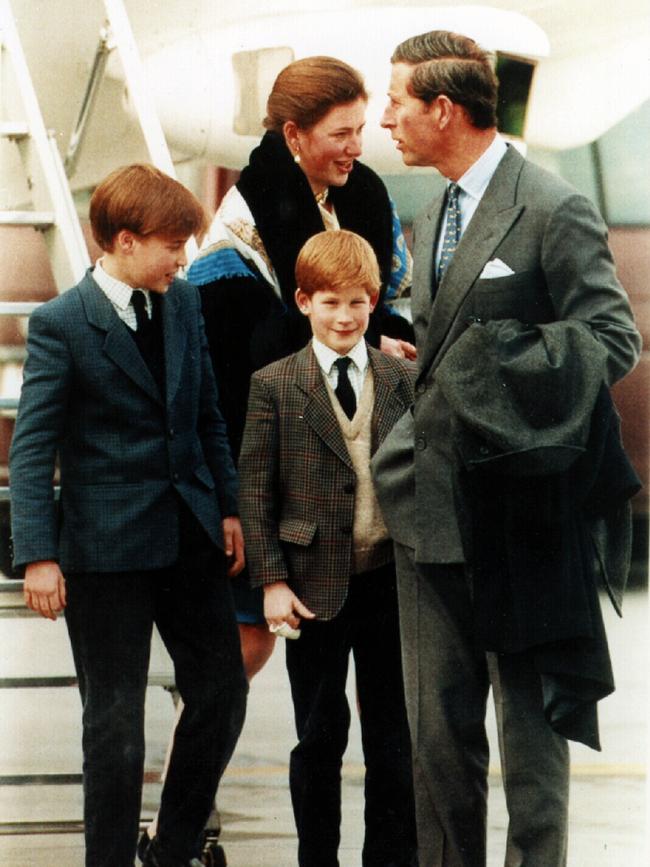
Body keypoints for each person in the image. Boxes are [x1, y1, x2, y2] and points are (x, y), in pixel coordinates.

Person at [372, 30, 642, 867]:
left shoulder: (554, 206)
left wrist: (483, 366)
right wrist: (432, 366)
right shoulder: (429, 212)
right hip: (428, 510)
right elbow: (453, 345)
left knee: (530, 736)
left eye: (397, 103)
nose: (386, 119)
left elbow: (611, 337)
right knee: (437, 735)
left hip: (519, 513)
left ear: (443, 110)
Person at [9, 164, 248, 867]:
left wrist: (227, 509)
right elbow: (33, 449)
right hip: (105, 551)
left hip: (189, 538)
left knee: (222, 693)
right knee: (114, 726)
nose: (184, 257)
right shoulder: (62, 324)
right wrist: (39, 554)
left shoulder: (181, 305)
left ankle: (169, 850)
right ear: (123, 240)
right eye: (173, 244)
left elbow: (206, 415)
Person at [186, 55, 416, 682]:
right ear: (293, 136)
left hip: (362, 468)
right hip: (268, 453)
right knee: (249, 642)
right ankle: (188, 777)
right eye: (340, 134)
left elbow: (383, 302)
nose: (356, 147)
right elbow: (235, 358)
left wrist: (386, 341)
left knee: (383, 668)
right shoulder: (240, 225)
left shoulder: (364, 192)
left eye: (360, 129)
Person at [238, 230, 418, 867]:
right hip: (310, 588)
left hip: (391, 582)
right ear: (303, 302)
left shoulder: (404, 379)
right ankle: (318, 858)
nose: (345, 317)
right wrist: (271, 580)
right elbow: (256, 490)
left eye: (357, 303)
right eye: (330, 303)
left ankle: (388, 859)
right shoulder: (275, 386)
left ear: (374, 303)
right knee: (319, 733)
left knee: (393, 736)